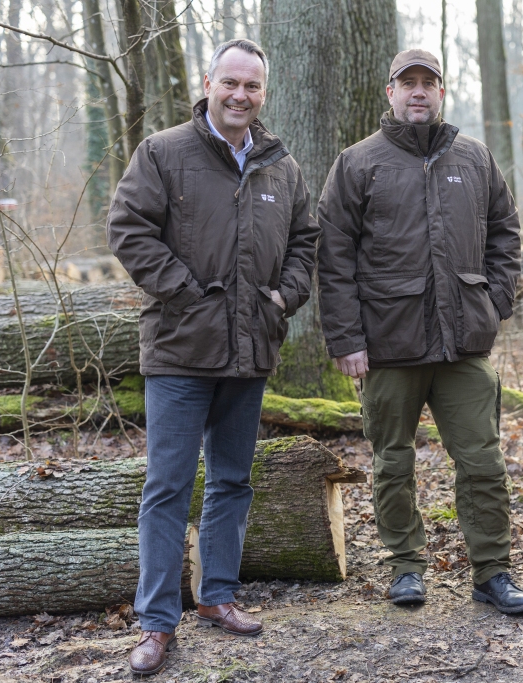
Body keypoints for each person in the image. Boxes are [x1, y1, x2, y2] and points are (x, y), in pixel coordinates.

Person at [108, 39, 319, 675]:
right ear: (208, 83)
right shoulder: (165, 152)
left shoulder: (281, 165)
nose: (239, 96)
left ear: (264, 94)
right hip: (178, 352)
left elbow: (307, 240)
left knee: (232, 481)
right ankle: (155, 622)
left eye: (252, 87)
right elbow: (126, 228)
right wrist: (185, 292)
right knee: (166, 488)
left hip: (250, 349)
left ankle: (218, 596)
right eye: (230, 83)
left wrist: (286, 295)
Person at [316, 49, 523, 614]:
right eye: (407, 83)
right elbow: (332, 257)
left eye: (428, 84)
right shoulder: (358, 163)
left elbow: (507, 234)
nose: (418, 92)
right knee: (393, 462)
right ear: (389, 92)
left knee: (483, 462)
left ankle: (492, 572)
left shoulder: (476, 158)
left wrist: (495, 302)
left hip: (464, 345)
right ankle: (406, 566)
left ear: (442, 92)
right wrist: (347, 340)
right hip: (389, 345)